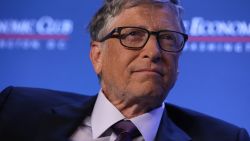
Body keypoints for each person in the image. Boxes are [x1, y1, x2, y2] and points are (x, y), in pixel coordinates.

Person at [0, 0, 249, 141]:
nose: (153, 52)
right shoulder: (15, 111)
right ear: (98, 56)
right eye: (133, 35)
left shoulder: (226, 138)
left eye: (168, 38)